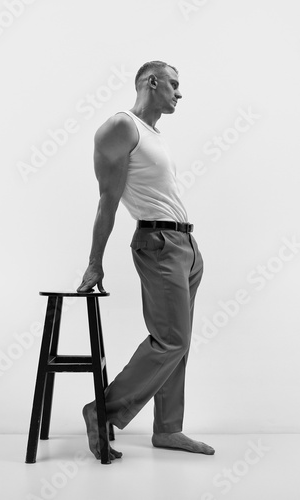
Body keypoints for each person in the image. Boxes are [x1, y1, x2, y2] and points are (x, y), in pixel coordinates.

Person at [77, 60, 215, 460]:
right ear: (151, 82)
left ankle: (168, 429)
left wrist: (190, 249)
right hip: (158, 243)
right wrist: (94, 261)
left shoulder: (155, 135)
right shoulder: (122, 127)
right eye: (173, 84)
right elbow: (108, 199)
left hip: (185, 245)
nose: (179, 92)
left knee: (180, 344)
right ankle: (102, 411)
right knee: (170, 339)